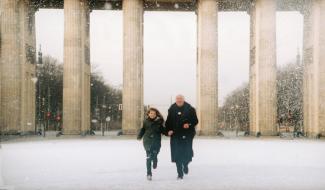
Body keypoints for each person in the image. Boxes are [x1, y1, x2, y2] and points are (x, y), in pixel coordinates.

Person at [165, 95, 198, 180]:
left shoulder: (190, 109)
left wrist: (189, 124)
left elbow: (195, 120)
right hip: (175, 135)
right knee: (177, 154)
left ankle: (186, 164)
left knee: (187, 153)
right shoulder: (171, 109)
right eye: (177, 99)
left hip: (187, 134)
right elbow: (168, 122)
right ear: (176, 100)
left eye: (180, 99)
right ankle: (180, 174)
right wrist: (168, 130)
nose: (179, 100)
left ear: (184, 100)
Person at [137, 107, 166, 181]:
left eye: (154, 113)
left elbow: (163, 130)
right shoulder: (145, 121)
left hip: (156, 141)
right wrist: (139, 136)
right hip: (147, 141)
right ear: (148, 114)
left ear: (156, 114)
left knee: (155, 154)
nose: (152, 114)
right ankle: (149, 174)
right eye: (151, 113)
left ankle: (155, 159)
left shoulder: (159, 121)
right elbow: (143, 129)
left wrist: (168, 133)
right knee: (149, 157)